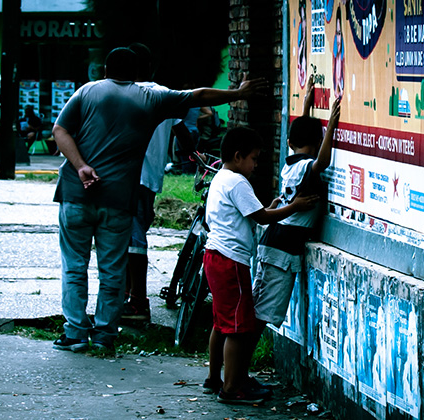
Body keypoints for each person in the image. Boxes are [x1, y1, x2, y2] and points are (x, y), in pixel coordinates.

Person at [51, 46, 267, 353]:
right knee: (112, 270)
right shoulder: (150, 98)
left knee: (74, 266)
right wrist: (239, 93)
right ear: (138, 73)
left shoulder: (87, 92)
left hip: (76, 194)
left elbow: (60, 130)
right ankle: (104, 335)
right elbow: (198, 96)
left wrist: (81, 166)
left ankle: (74, 333)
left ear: (105, 71)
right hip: (119, 200)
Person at [203, 127, 319, 404]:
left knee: (221, 324)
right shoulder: (237, 182)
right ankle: (231, 389)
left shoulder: (221, 177)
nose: (256, 165)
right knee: (238, 327)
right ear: (238, 156)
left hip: (215, 256)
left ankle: (214, 379)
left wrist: (273, 206)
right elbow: (263, 218)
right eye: (253, 159)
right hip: (231, 261)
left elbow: (254, 212)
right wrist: (295, 206)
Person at [250, 75, 340, 366]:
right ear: (318, 142)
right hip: (284, 248)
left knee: (258, 307)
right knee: (262, 315)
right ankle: (239, 371)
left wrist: (306, 107)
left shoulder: (290, 164)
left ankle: (237, 371)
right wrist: (332, 124)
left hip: (273, 240)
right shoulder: (307, 167)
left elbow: (302, 142)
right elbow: (321, 162)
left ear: (290, 143)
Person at [123, 43, 196, 322]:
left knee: (132, 239)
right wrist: (195, 155)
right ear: (150, 66)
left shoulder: (126, 94)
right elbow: (182, 132)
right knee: (133, 234)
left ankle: (138, 302)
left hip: (130, 176)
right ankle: (127, 295)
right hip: (150, 179)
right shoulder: (163, 94)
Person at [332, 6, 345, 99]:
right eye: (337, 33)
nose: (338, 39)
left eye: (339, 33)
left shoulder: (343, 61)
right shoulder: (335, 60)